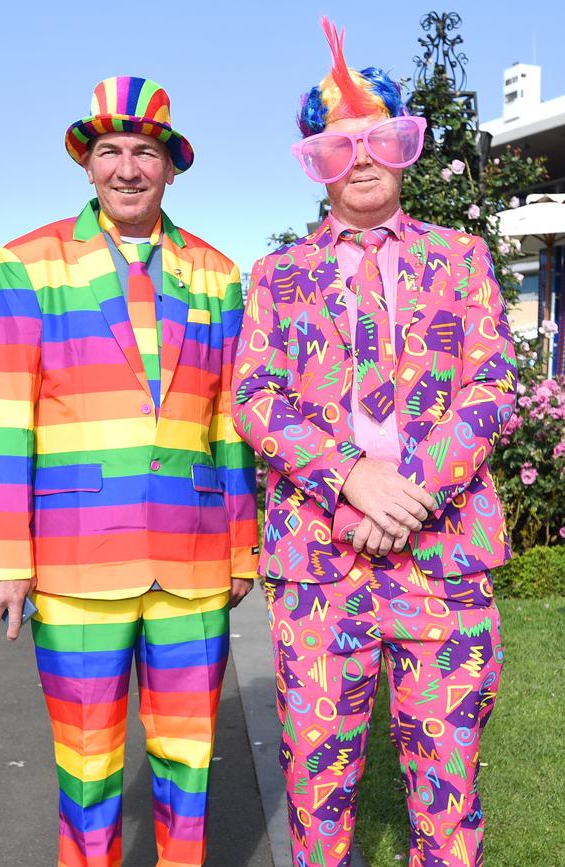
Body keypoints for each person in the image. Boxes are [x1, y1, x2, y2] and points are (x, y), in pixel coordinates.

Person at [232, 19, 515, 867]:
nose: (359, 158)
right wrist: (353, 478)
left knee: (449, 789)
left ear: (403, 148)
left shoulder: (461, 258)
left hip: (444, 559)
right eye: (337, 143)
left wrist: (408, 489)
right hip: (322, 563)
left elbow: (493, 384)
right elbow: (254, 394)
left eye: (377, 138)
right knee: (318, 793)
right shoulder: (278, 274)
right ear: (316, 159)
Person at [0, 75, 258, 867]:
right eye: (110, 152)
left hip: (195, 561)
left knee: (188, 757)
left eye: (144, 151)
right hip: (72, 562)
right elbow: (3, 418)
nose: (127, 168)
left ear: (171, 167)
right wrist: (3, 560)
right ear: (87, 166)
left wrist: (243, 546)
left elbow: (230, 421)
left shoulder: (217, 271)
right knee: (87, 763)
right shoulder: (27, 262)